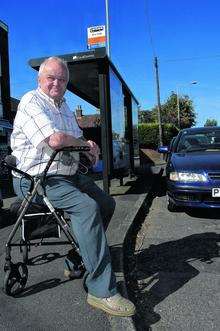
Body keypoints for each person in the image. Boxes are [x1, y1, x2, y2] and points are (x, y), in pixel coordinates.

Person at [10, 56, 136, 317]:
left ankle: (76, 257)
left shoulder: (64, 105)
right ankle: (101, 291)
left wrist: (90, 149)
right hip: (36, 179)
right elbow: (56, 140)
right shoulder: (31, 101)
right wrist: (83, 144)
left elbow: (76, 139)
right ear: (39, 79)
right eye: (51, 78)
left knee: (106, 204)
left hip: (67, 175)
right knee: (87, 209)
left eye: (62, 79)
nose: (57, 84)